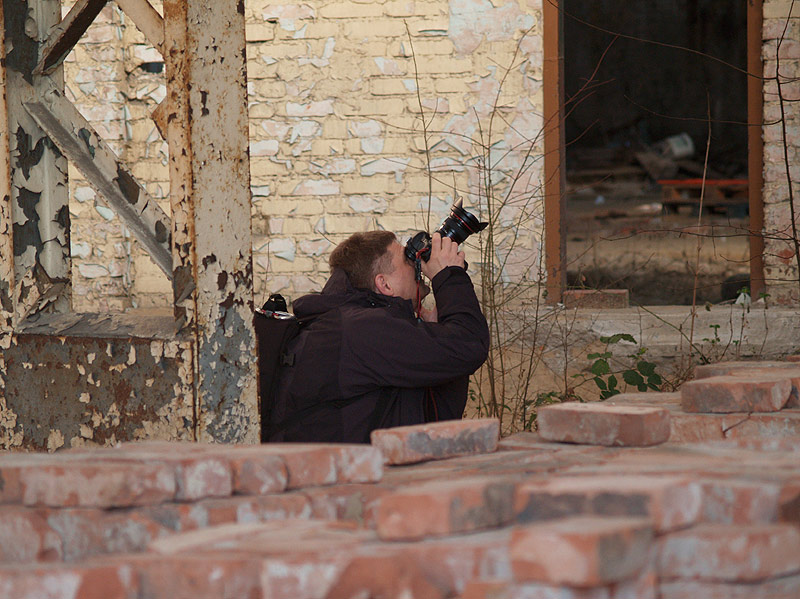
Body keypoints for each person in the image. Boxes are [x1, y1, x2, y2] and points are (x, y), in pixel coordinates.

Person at [266, 230, 490, 443]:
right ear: (384, 284)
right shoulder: (363, 329)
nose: (415, 265)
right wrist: (448, 274)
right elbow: (469, 343)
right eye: (406, 260)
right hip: (346, 478)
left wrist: (434, 334)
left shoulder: (345, 324)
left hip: (346, 473)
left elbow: (435, 403)